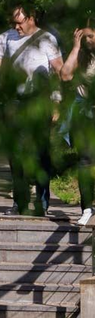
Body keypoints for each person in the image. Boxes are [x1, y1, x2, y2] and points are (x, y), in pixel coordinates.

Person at [0, 3, 62, 215]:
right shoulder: (9, 38)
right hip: (16, 101)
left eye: (18, 22)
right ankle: (20, 202)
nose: (15, 27)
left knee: (40, 152)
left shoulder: (47, 40)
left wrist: (56, 102)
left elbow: (57, 73)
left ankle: (42, 203)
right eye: (13, 23)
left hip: (39, 101)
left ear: (31, 18)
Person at [61, 27, 95, 224]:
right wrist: (75, 47)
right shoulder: (81, 56)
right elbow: (65, 75)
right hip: (85, 115)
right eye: (84, 37)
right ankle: (87, 208)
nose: (87, 40)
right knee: (85, 162)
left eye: (90, 36)